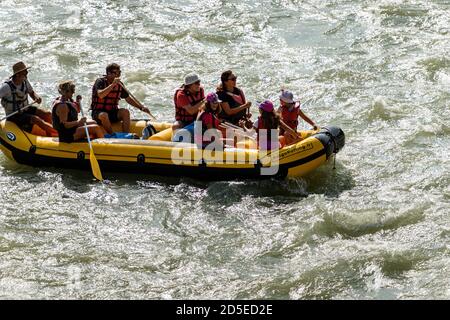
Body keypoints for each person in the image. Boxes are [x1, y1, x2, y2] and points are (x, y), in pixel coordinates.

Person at [90, 63, 151, 134]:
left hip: (112, 112)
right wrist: (112, 85)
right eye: (115, 73)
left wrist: (141, 107)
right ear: (108, 73)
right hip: (98, 113)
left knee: (125, 112)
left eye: (119, 73)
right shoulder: (100, 81)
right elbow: (100, 95)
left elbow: (128, 99)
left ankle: (126, 135)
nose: (118, 75)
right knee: (104, 115)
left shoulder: (119, 85)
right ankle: (112, 135)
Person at [0, 61, 57, 136]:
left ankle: (50, 134)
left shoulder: (24, 81)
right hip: (14, 115)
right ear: (17, 74)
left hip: (25, 109)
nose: (27, 73)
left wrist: (36, 97)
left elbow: (32, 93)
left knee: (47, 114)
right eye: (25, 72)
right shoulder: (6, 87)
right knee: (36, 119)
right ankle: (61, 134)